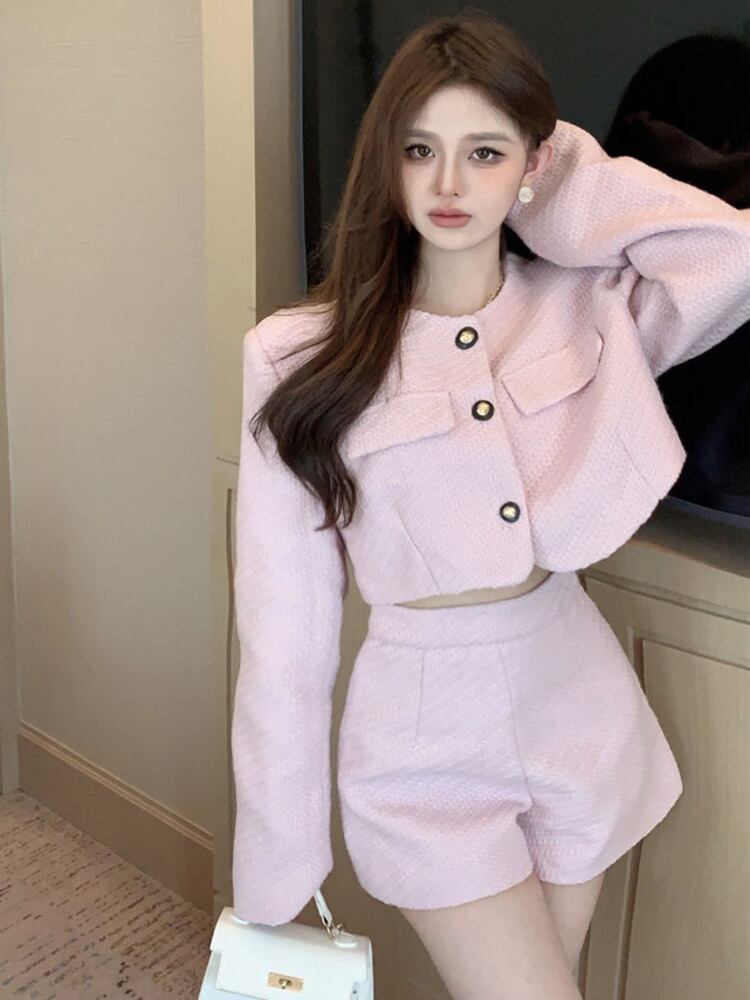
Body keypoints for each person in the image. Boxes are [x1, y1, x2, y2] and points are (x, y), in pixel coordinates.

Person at [230, 12, 750, 1000]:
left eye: (485, 152)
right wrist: (277, 866)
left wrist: (565, 182)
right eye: (420, 149)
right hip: (422, 743)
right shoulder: (297, 358)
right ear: (387, 161)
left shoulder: (589, 307)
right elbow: (283, 638)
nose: (449, 183)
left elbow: (732, 255)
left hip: (578, 706)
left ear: (531, 163)